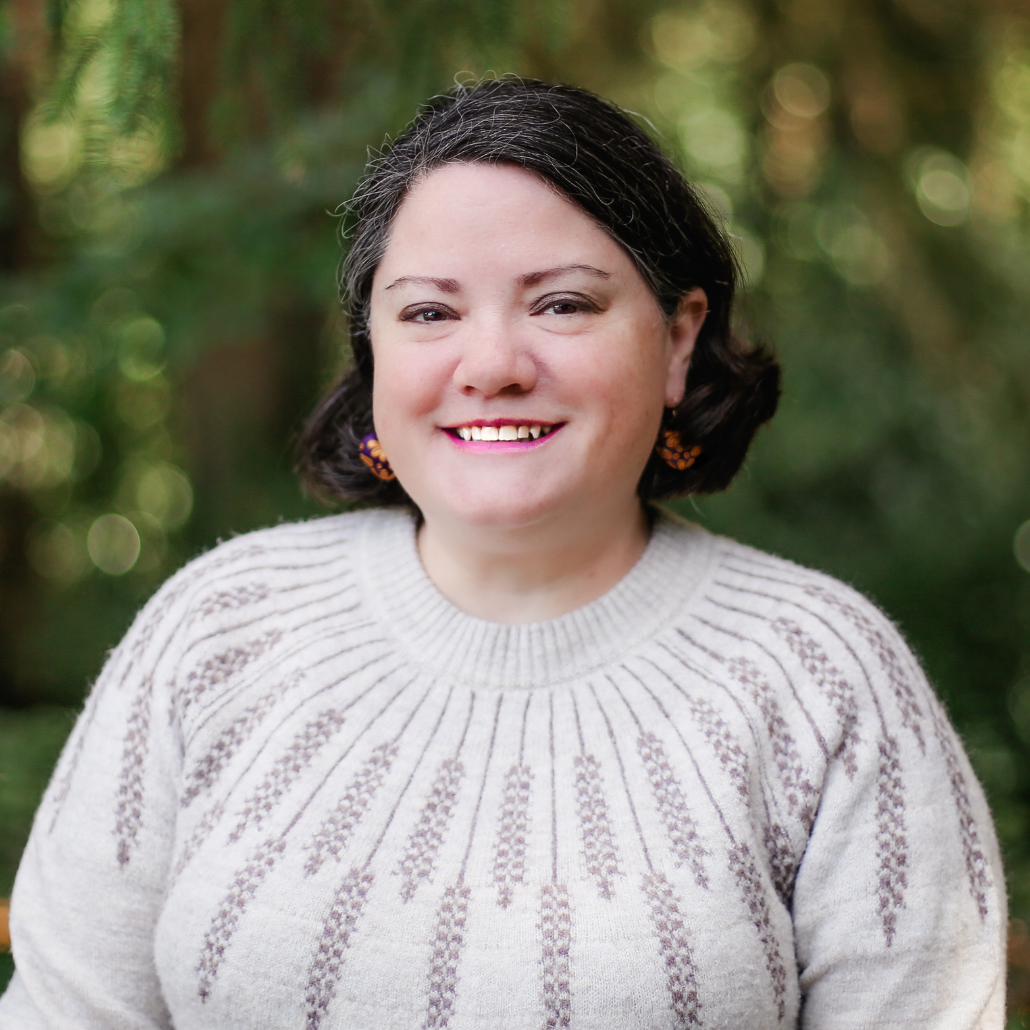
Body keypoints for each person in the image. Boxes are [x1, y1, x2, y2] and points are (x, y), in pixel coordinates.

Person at [0, 77, 1005, 1030]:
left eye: (562, 303)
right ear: (372, 351)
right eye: (429, 312)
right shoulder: (215, 628)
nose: (491, 366)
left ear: (677, 339)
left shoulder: (823, 678)